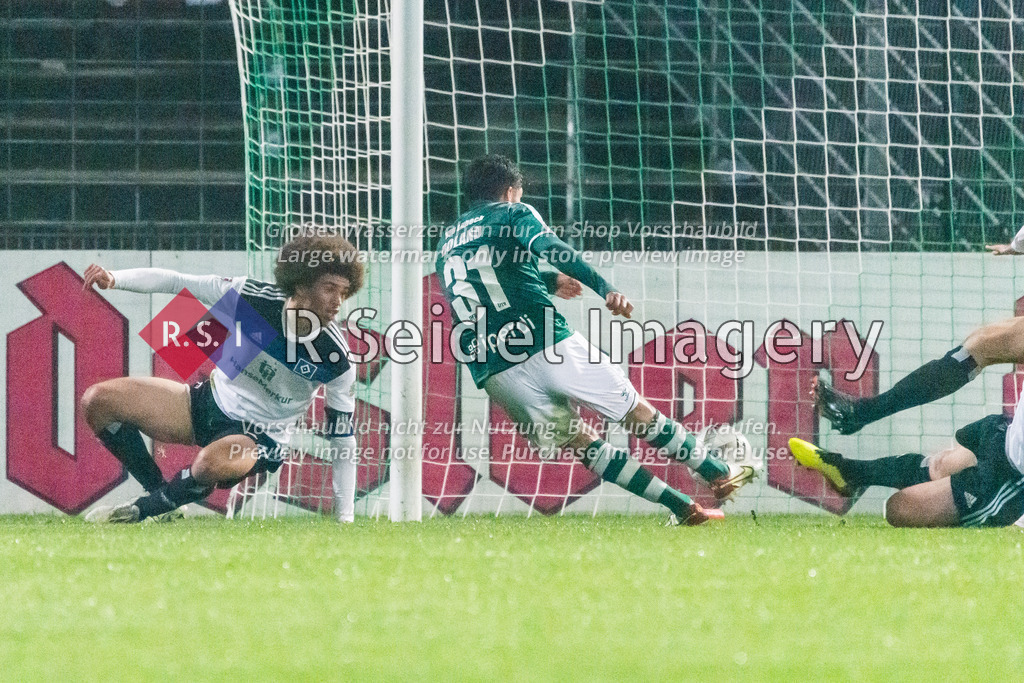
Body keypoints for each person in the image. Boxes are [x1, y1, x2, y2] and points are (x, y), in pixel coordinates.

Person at [435, 154, 755, 525]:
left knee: (581, 443)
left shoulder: (447, 241)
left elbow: (489, 278)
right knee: (635, 412)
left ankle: (682, 506)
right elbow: (551, 248)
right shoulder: (513, 213)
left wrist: (550, 282)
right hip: (545, 344)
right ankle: (718, 471)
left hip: (493, 369)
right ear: (510, 191)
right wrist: (603, 286)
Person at [80, 231, 363, 523]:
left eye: (344, 293)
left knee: (207, 465)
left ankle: (142, 510)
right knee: (98, 401)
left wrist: (346, 518)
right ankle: (162, 497)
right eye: (329, 289)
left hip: (260, 436)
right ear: (301, 284)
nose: (338, 302)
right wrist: (114, 278)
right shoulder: (250, 295)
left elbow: (343, 440)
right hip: (208, 401)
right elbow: (177, 281)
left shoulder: (337, 359)